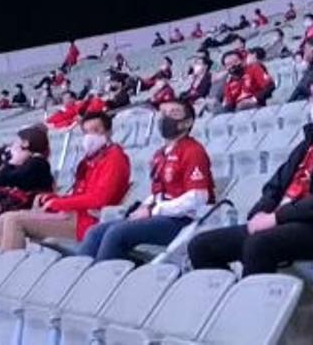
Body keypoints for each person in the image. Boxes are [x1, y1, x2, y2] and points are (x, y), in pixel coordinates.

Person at [188, 68, 313, 276]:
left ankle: (255, 306)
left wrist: (276, 218)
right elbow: (276, 184)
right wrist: (260, 212)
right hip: (282, 219)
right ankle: (231, 297)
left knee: (258, 244)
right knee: (201, 246)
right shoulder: (309, 141)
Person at [78, 101, 214, 261]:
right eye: (163, 112)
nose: (165, 117)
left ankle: (103, 280)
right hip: (160, 216)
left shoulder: (193, 151)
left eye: (173, 113)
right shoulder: (160, 154)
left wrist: (154, 210)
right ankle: (81, 276)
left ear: (188, 122)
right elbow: (159, 192)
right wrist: (146, 205)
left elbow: (198, 198)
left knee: (116, 233)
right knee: (95, 232)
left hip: (183, 221)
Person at [0, 111, 130, 251]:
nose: (90, 136)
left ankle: (8, 265)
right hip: (75, 215)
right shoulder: (91, 159)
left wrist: (60, 203)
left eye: (96, 130)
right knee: (4, 217)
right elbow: (80, 195)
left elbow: (99, 199)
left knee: (13, 220)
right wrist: (55, 198)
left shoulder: (114, 159)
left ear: (109, 131)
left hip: (87, 221)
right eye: (86, 132)